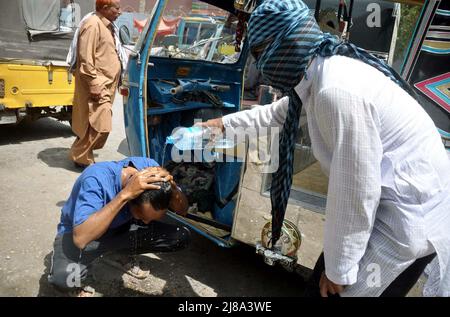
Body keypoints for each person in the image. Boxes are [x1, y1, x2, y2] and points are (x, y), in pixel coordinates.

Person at [200, 0, 450, 296]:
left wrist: (339, 269)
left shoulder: (335, 90)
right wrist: (223, 124)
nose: (262, 66)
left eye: (260, 54)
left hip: (403, 219)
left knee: (332, 289)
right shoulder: (321, 71)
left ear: (286, 44)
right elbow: (275, 113)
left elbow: (355, 189)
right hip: (398, 207)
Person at [47, 157, 190, 296]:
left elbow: (183, 211)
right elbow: (80, 239)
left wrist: (174, 189)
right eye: (141, 216)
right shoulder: (95, 179)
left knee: (179, 237)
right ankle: (98, 253)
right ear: (132, 200)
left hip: (120, 228)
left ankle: (116, 254)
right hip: (82, 234)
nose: (146, 223)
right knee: (65, 279)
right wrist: (124, 195)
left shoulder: (151, 169)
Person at [68, 0, 125, 168]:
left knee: (91, 122)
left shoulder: (107, 26)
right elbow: (85, 58)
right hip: (98, 84)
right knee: (101, 125)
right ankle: (80, 156)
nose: (119, 12)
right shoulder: (93, 25)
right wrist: (94, 82)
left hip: (106, 85)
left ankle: (82, 157)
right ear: (105, 8)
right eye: (117, 8)